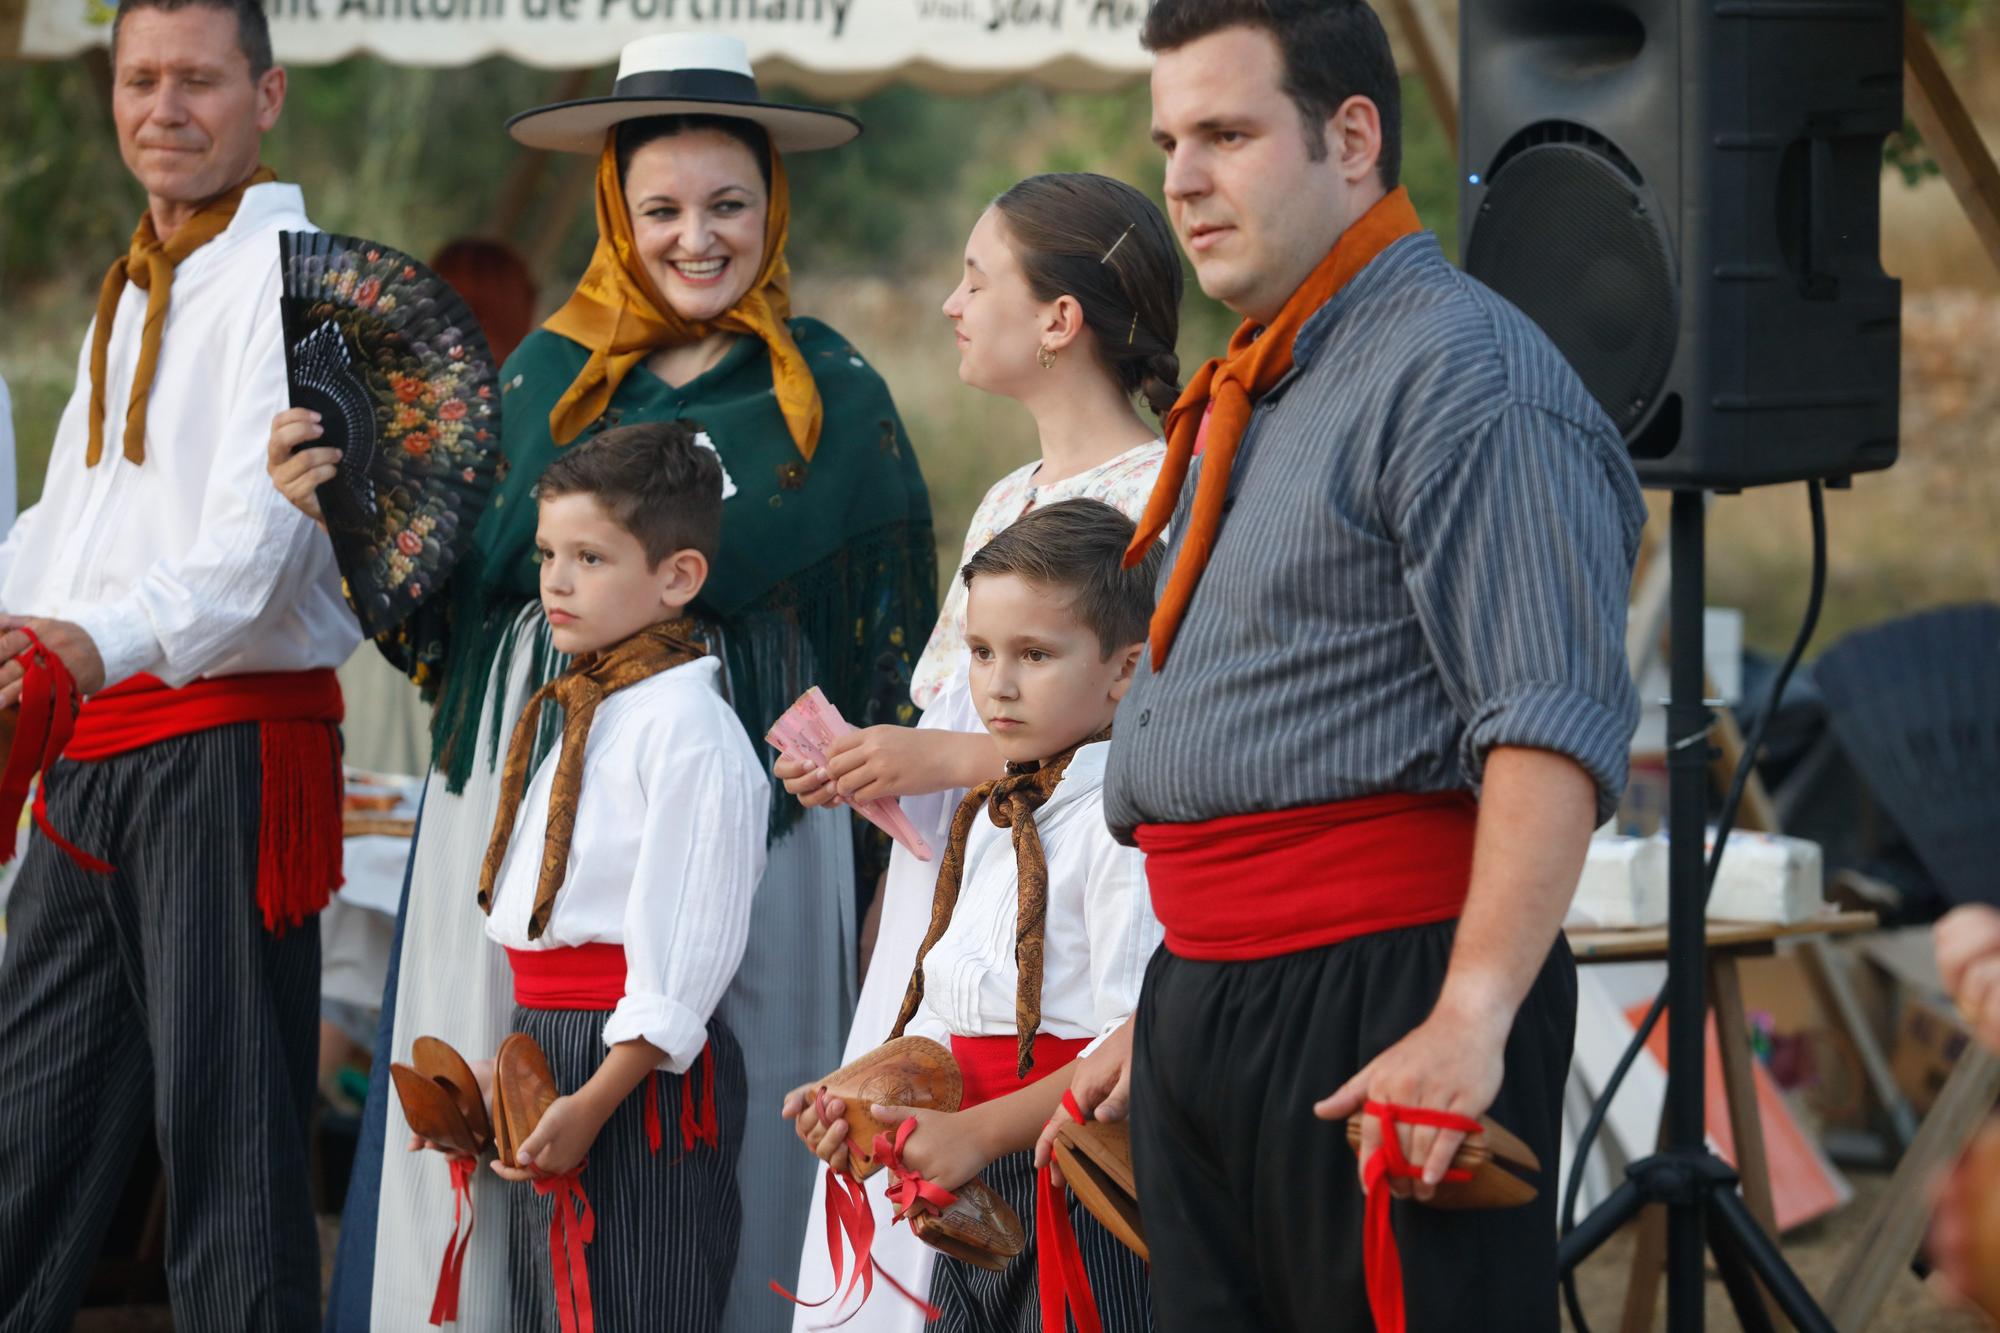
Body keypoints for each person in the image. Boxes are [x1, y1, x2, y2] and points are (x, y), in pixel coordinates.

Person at [272, 34, 936, 1330]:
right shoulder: (538, 381)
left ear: (772, 208)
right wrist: (341, 511)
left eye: (729, 205)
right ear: (617, 218)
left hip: (752, 782)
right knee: (503, 1053)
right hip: (544, 777)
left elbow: (885, 635)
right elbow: (447, 594)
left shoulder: (834, 395)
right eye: (665, 209)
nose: (699, 237)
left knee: (740, 1053)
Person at [1097, 3, 1648, 1330]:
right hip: (1212, 997)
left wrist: (1472, 1015)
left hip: (1380, 990)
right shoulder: (1267, 379)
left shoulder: (1464, 374)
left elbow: (1546, 725)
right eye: (1171, 138)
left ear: (1352, 138)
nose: (1181, 177)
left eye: (1227, 133)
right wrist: (1170, 1015)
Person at [0, 0, 357, 1325]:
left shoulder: (298, 278)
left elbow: (261, 544)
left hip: (223, 742)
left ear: (264, 97)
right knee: (29, 1129)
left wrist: (92, 639)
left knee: (231, 1145)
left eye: (198, 80)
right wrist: (25, 624)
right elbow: (66, 524)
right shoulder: (130, 283)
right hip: (93, 740)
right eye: (141, 78)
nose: (166, 105)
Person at [777, 171, 1180, 1331]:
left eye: (974, 276)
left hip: (1070, 901)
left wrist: (940, 759)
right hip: (955, 890)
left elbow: (1139, 730)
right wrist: (872, 768)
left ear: (1060, 319)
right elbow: (977, 711)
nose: (952, 303)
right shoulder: (1009, 492)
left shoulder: (1161, 493)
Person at [789, 499, 1163, 1332]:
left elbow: (1138, 1041)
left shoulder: (1120, 820)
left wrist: (981, 1133)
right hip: (975, 1171)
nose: (997, 682)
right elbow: (969, 1005)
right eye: (983, 651)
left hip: (1076, 1170)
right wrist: (863, 1101)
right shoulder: (1001, 807)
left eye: (1035, 653)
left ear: (1125, 668)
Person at [448, 420, 766, 1330]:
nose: (556, 579)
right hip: (554, 1042)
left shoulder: (690, 733)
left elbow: (685, 953)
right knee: (549, 1304)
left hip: (633, 1067)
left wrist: (592, 1099)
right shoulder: (599, 708)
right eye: (549, 552)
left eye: (590, 555)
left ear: (677, 577)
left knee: (636, 1298)